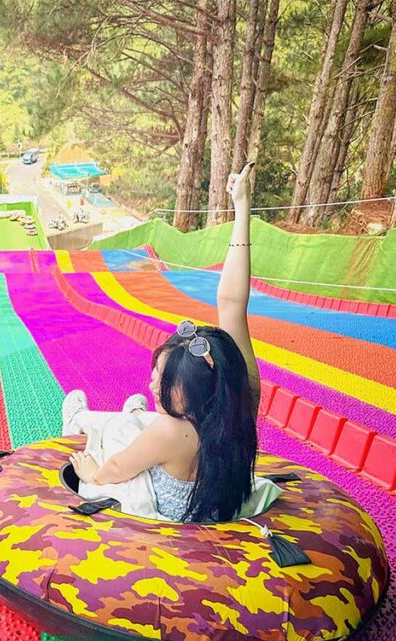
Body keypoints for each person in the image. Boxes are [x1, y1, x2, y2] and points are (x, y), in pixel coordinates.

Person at [66, 162, 263, 524]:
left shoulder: (174, 430)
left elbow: (117, 469)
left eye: (165, 385)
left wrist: (91, 472)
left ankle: (80, 420)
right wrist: (242, 206)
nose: (153, 383)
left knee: (119, 432)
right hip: (215, 495)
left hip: (172, 521)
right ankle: (129, 413)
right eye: (158, 374)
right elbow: (233, 302)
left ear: (195, 397)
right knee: (138, 418)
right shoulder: (239, 397)